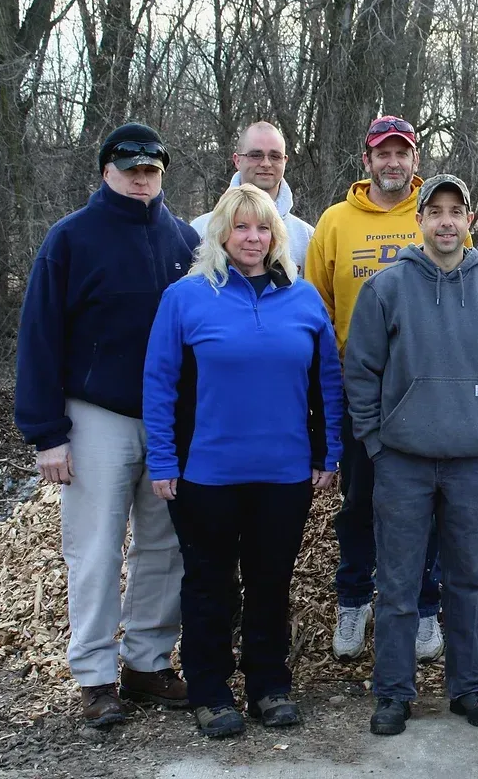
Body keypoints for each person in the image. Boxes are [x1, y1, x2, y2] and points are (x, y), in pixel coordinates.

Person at [143, 184, 343, 737]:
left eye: (263, 229)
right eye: (241, 228)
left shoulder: (303, 299)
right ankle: (210, 689)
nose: (252, 238)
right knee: (208, 585)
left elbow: (327, 381)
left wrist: (329, 451)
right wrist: (162, 460)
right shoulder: (185, 298)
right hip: (205, 474)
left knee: (271, 581)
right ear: (221, 234)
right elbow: (160, 385)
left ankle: (269, 685)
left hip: (284, 474)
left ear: (277, 236)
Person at [14, 123, 195, 727]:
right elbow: (39, 337)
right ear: (106, 169)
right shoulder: (71, 239)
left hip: (169, 418)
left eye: (152, 168)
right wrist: (47, 433)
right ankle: (95, 675)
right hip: (95, 415)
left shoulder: (185, 240)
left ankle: (147, 663)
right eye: (130, 166)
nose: (142, 177)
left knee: (164, 546)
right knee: (93, 550)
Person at [345, 175, 478, 735]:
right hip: (403, 461)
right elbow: (360, 373)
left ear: (469, 221)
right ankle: (394, 692)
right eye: (436, 212)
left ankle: (468, 687)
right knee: (399, 582)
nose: (446, 222)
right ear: (420, 220)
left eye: (457, 212)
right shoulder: (386, 288)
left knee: (470, 580)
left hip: (474, 462)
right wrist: (377, 442)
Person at [306, 116, 448, 663]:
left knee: (427, 501)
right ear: (366, 161)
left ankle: (425, 608)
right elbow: (317, 308)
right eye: (382, 153)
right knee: (360, 501)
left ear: (416, 161)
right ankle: (353, 600)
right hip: (358, 387)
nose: (393, 162)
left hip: (427, 388)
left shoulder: (432, 217)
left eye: (403, 153)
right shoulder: (335, 222)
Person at [191, 122, 315, 272]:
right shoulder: (200, 230)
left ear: (285, 161)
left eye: (275, 156)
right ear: (237, 160)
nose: (266, 163)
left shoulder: (306, 237)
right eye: (256, 155)